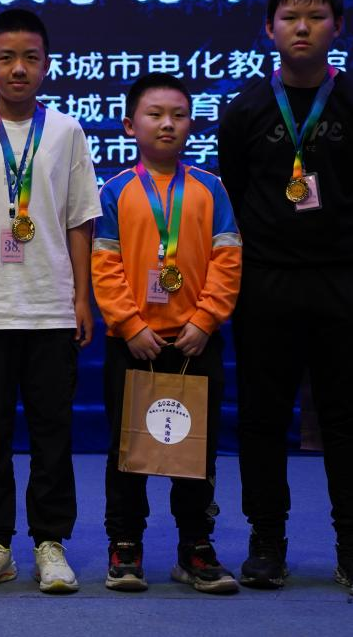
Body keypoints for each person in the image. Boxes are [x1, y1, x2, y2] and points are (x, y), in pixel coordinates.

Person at [218, 0, 353, 601]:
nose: (303, 28)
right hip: (265, 284)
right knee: (263, 419)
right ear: (269, 29)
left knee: (350, 418)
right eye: (290, 18)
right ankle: (267, 544)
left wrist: (348, 255)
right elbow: (233, 197)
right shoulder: (245, 109)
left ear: (337, 28)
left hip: (345, 283)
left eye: (317, 17)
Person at [0, 9, 99, 594]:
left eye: (30, 57)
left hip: (50, 306)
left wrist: (82, 297)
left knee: (53, 431)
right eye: (6, 58)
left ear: (47, 65)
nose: (18, 68)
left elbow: (80, 221)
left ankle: (50, 543)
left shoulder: (66, 131)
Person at [92, 74, 242, 594]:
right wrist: (130, 324)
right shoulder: (115, 191)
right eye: (154, 114)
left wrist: (205, 320)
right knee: (127, 451)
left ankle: (195, 547)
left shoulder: (210, 188)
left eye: (178, 115)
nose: (167, 124)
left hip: (196, 343)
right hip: (133, 345)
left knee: (195, 453)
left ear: (191, 124)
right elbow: (104, 266)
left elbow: (228, 258)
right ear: (129, 125)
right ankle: (125, 545)